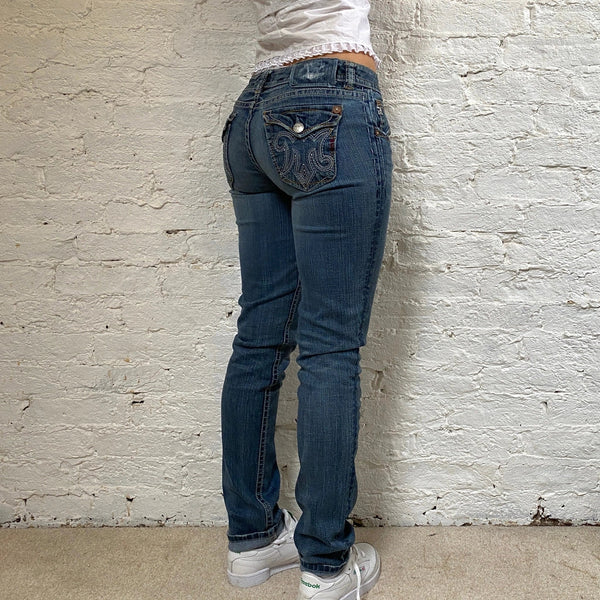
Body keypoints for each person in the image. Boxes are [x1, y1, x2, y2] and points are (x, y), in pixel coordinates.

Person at [219, 1, 392, 598]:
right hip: (331, 96)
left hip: (253, 109)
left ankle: (254, 539)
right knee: (329, 347)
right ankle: (325, 565)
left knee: (259, 338)